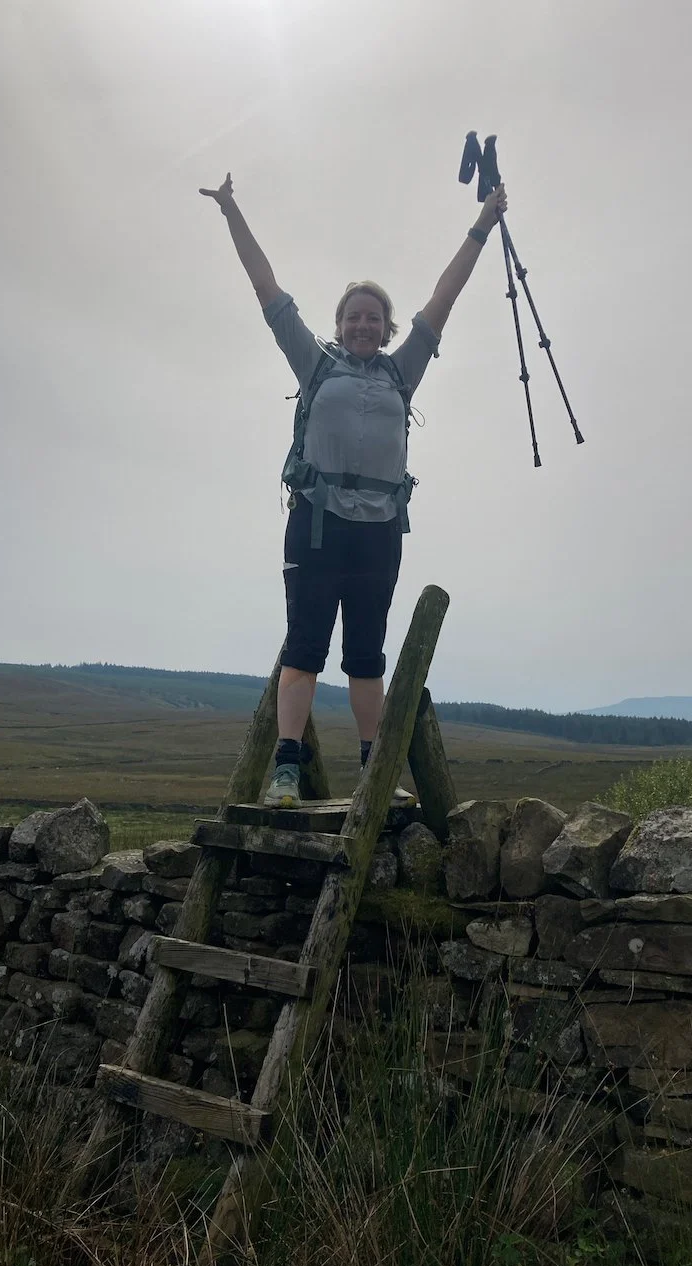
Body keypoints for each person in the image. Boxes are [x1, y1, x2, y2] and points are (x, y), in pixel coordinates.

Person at [200, 172, 507, 807]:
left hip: (379, 531)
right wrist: (232, 211)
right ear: (338, 325)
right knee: (305, 645)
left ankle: (373, 772)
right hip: (316, 522)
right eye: (353, 317)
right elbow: (268, 292)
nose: (363, 325)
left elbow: (443, 299)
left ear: (389, 327)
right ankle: (287, 768)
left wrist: (482, 226)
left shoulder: (404, 370)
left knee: (367, 654)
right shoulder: (314, 362)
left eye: (374, 318)